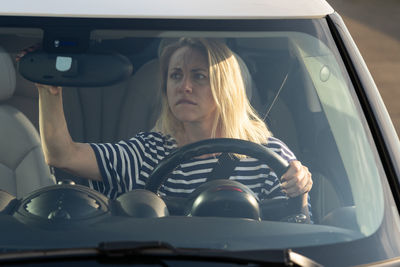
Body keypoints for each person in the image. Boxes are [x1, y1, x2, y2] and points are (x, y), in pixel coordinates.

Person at [35, 37, 312, 221]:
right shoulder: (146, 151)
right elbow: (63, 156)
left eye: (199, 76)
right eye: (175, 75)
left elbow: (294, 228)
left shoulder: (269, 156)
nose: (184, 86)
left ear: (225, 88)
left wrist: (300, 186)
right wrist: (49, 89)